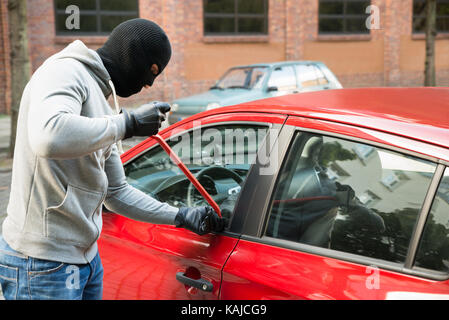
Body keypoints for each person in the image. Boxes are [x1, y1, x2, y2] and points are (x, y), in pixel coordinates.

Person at [0, 18, 223, 300]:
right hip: (41, 263)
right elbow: (48, 136)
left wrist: (180, 215)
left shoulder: (102, 99)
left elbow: (116, 193)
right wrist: (126, 124)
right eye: (151, 72)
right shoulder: (64, 72)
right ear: (132, 55)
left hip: (86, 261)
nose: (149, 84)